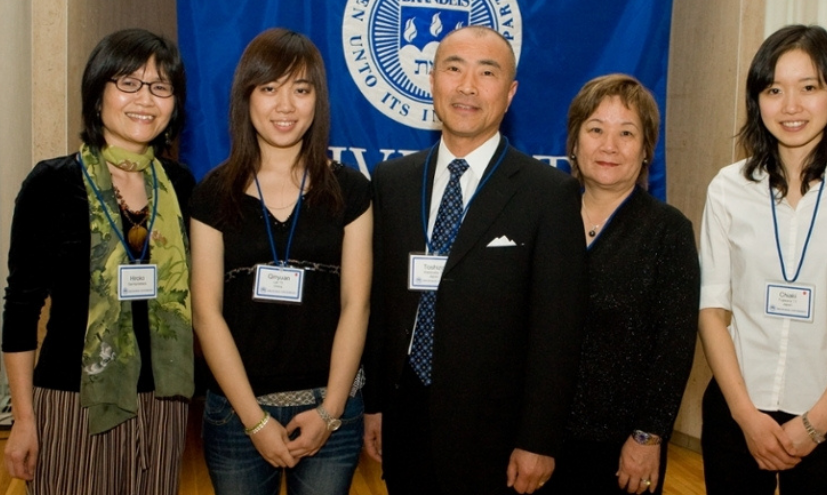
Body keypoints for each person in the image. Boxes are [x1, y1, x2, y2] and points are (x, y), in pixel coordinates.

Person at [362, 25, 588, 495]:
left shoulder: (548, 194)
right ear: (431, 81)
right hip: (405, 423)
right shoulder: (392, 181)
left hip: (498, 439)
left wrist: (539, 440)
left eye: (487, 73)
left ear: (509, 94)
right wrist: (376, 403)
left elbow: (558, 329)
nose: (467, 86)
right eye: (454, 68)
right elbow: (384, 303)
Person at [698, 24, 827, 494]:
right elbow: (712, 308)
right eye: (774, 90)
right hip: (737, 412)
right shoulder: (729, 188)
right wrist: (746, 416)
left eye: (808, 87)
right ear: (757, 100)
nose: (791, 106)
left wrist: (816, 423)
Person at [2, 29, 195, 494]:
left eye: (160, 86)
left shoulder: (181, 186)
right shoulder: (51, 185)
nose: (145, 99)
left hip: (162, 401)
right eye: (128, 82)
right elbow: (20, 310)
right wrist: (24, 418)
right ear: (97, 94)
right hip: (73, 402)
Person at [189, 28, 372, 495]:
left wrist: (330, 412)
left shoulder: (350, 191)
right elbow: (205, 312)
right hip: (236, 414)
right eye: (269, 88)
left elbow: (357, 304)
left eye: (301, 89)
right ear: (246, 97)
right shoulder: (213, 194)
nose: (285, 105)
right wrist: (255, 422)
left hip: (330, 409)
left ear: (318, 100)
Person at [546, 74, 700, 495]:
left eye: (626, 133)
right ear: (574, 142)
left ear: (647, 149)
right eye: (595, 129)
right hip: (540, 439)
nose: (609, 146)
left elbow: (675, 346)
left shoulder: (668, 231)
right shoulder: (544, 216)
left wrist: (648, 436)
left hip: (623, 448)